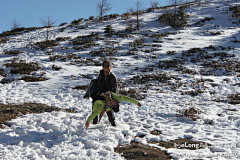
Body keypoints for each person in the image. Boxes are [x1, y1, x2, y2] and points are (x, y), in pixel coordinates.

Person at [83, 59, 118, 126]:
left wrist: (109, 94)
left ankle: (112, 122)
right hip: (102, 93)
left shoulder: (112, 77)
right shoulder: (101, 74)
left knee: (107, 106)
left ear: (110, 67)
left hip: (109, 95)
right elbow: (99, 83)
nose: (105, 67)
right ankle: (95, 121)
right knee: (95, 102)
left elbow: (115, 89)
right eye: (104, 66)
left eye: (107, 66)